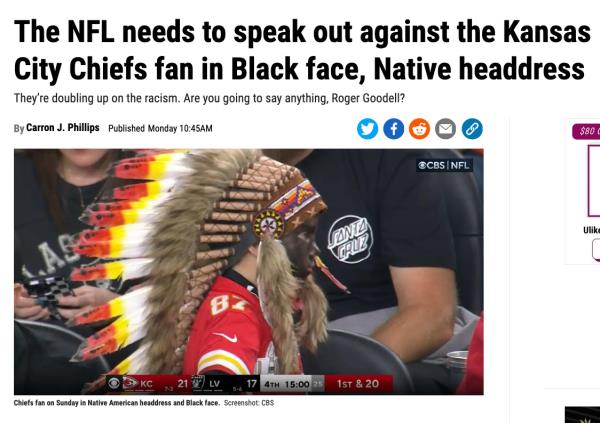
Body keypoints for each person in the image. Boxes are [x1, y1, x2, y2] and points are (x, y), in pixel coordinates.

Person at [64, 150, 329, 385]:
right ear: (258, 241)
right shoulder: (232, 311)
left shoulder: (258, 298)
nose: (315, 249)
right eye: (304, 234)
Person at [266, 149, 477, 393]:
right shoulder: (225, 170)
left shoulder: (386, 157)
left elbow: (432, 315)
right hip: (261, 350)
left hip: (378, 352)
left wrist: (335, 382)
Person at [14, 149, 123, 323]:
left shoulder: (163, 181)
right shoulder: (16, 174)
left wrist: (121, 308)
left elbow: (177, 312)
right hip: (37, 343)